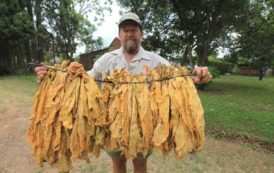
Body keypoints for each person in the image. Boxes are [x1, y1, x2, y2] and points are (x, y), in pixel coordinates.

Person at [35, 12, 212, 173]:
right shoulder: (107, 60)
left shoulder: (154, 60)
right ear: (119, 35)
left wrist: (198, 74)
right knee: (118, 165)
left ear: (141, 34)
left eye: (134, 30)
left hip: (143, 126)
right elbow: (84, 79)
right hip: (112, 125)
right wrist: (53, 75)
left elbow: (178, 74)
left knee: (140, 165)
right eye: (125, 30)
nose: (129, 33)